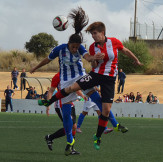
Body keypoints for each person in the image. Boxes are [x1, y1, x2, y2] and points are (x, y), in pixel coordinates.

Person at [36, 20, 142, 150]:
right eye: (92, 34)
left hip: (109, 79)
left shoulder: (114, 42)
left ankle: (98, 136)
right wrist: (95, 59)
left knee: (105, 109)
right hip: (95, 75)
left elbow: (125, 50)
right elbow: (92, 63)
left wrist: (136, 59)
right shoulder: (92, 47)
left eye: (95, 33)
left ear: (102, 32)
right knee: (71, 90)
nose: (93, 36)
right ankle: (50, 104)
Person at [30, 7, 94, 155]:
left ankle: (63, 142)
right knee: (70, 123)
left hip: (74, 88)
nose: (74, 50)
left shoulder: (79, 51)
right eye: (73, 47)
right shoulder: (59, 57)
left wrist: (93, 59)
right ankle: (64, 143)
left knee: (74, 123)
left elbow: (86, 57)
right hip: (63, 92)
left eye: (76, 48)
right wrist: (35, 67)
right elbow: (48, 62)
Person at [44, 72, 80, 154]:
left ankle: (70, 148)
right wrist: (48, 105)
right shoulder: (57, 76)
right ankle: (51, 138)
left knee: (73, 127)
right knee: (70, 127)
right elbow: (51, 91)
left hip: (70, 103)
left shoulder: (72, 73)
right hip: (61, 104)